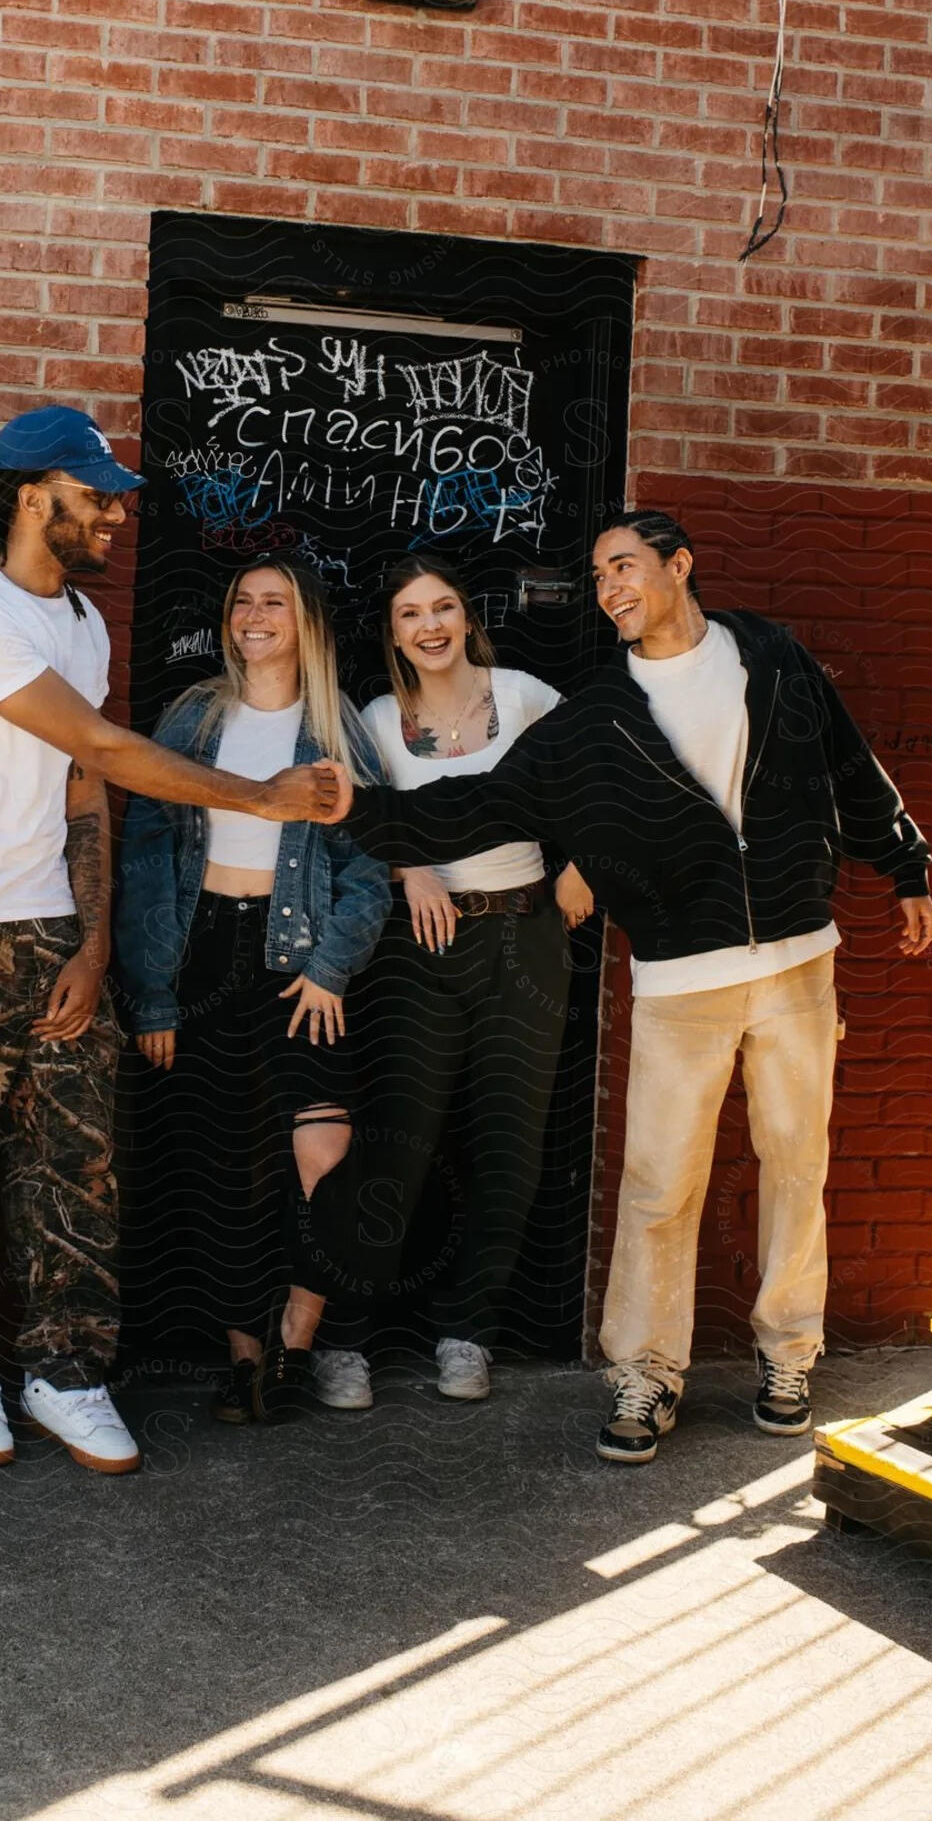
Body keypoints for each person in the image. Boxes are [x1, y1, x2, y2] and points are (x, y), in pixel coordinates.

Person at [340, 512, 932, 1462]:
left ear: (678, 566)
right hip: (679, 977)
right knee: (659, 1183)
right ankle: (646, 1372)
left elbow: (846, 759)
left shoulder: (768, 654)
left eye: (624, 565)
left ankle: (788, 1353)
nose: (610, 586)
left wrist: (902, 864)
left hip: (795, 958)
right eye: (597, 574)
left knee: (795, 1168)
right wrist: (357, 811)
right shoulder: (597, 713)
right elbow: (484, 803)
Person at [0, 409, 344, 1476]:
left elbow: (83, 787)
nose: (116, 515)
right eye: (95, 495)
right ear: (30, 496)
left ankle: (66, 1369)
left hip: (51, 928)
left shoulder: (82, 620)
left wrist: (91, 946)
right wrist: (261, 798)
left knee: (73, 1166)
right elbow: (97, 740)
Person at [113, 556, 391, 1424]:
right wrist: (153, 992)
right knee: (222, 1167)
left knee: (324, 1156)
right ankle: (244, 1359)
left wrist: (330, 966)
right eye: (242, 601)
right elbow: (146, 855)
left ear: (305, 621)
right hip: (200, 953)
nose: (255, 615)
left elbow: (370, 866)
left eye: (275, 601)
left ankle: (296, 1344)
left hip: (297, 957)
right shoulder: (194, 716)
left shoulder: (336, 727)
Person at [345, 555, 592, 1411]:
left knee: (507, 1144)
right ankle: (347, 1337)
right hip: (419, 943)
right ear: (393, 633)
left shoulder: (522, 695)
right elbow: (348, 814)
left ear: (465, 617)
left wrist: (582, 864)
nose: (430, 625)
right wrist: (406, 865)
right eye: (410, 613)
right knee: (397, 1139)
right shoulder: (376, 718)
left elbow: (605, 768)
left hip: (526, 933)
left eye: (443, 607)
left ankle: (468, 1331)